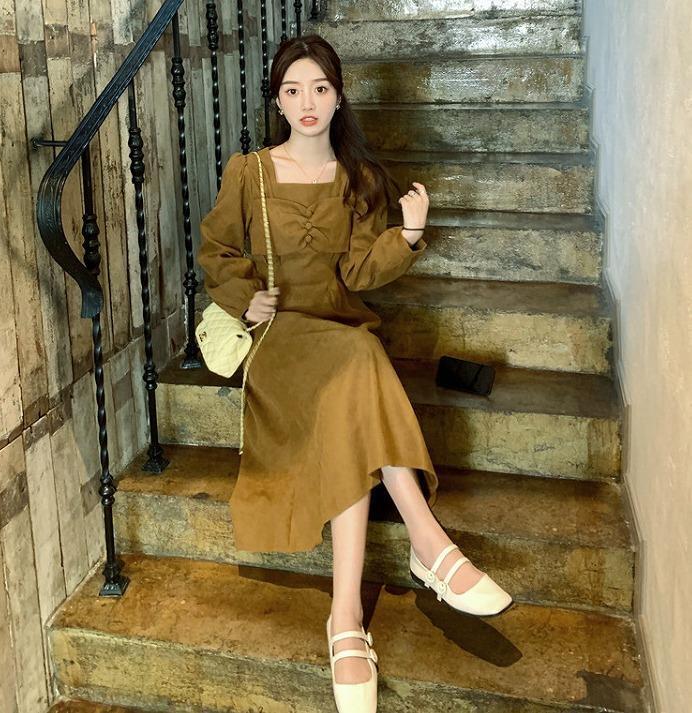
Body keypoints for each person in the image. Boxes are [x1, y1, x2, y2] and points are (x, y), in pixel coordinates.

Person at [197, 34, 512, 713]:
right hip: (282, 336)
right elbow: (217, 247)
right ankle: (429, 545)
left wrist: (409, 235)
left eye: (319, 88)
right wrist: (245, 294)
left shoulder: (358, 178)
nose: (306, 102)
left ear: (339, 97)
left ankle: (345, 618)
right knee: (362, 362)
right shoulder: (248, 171)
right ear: (278, 101)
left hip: (340, 328)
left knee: (356, 365)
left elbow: (359, 273)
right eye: (292, 90)